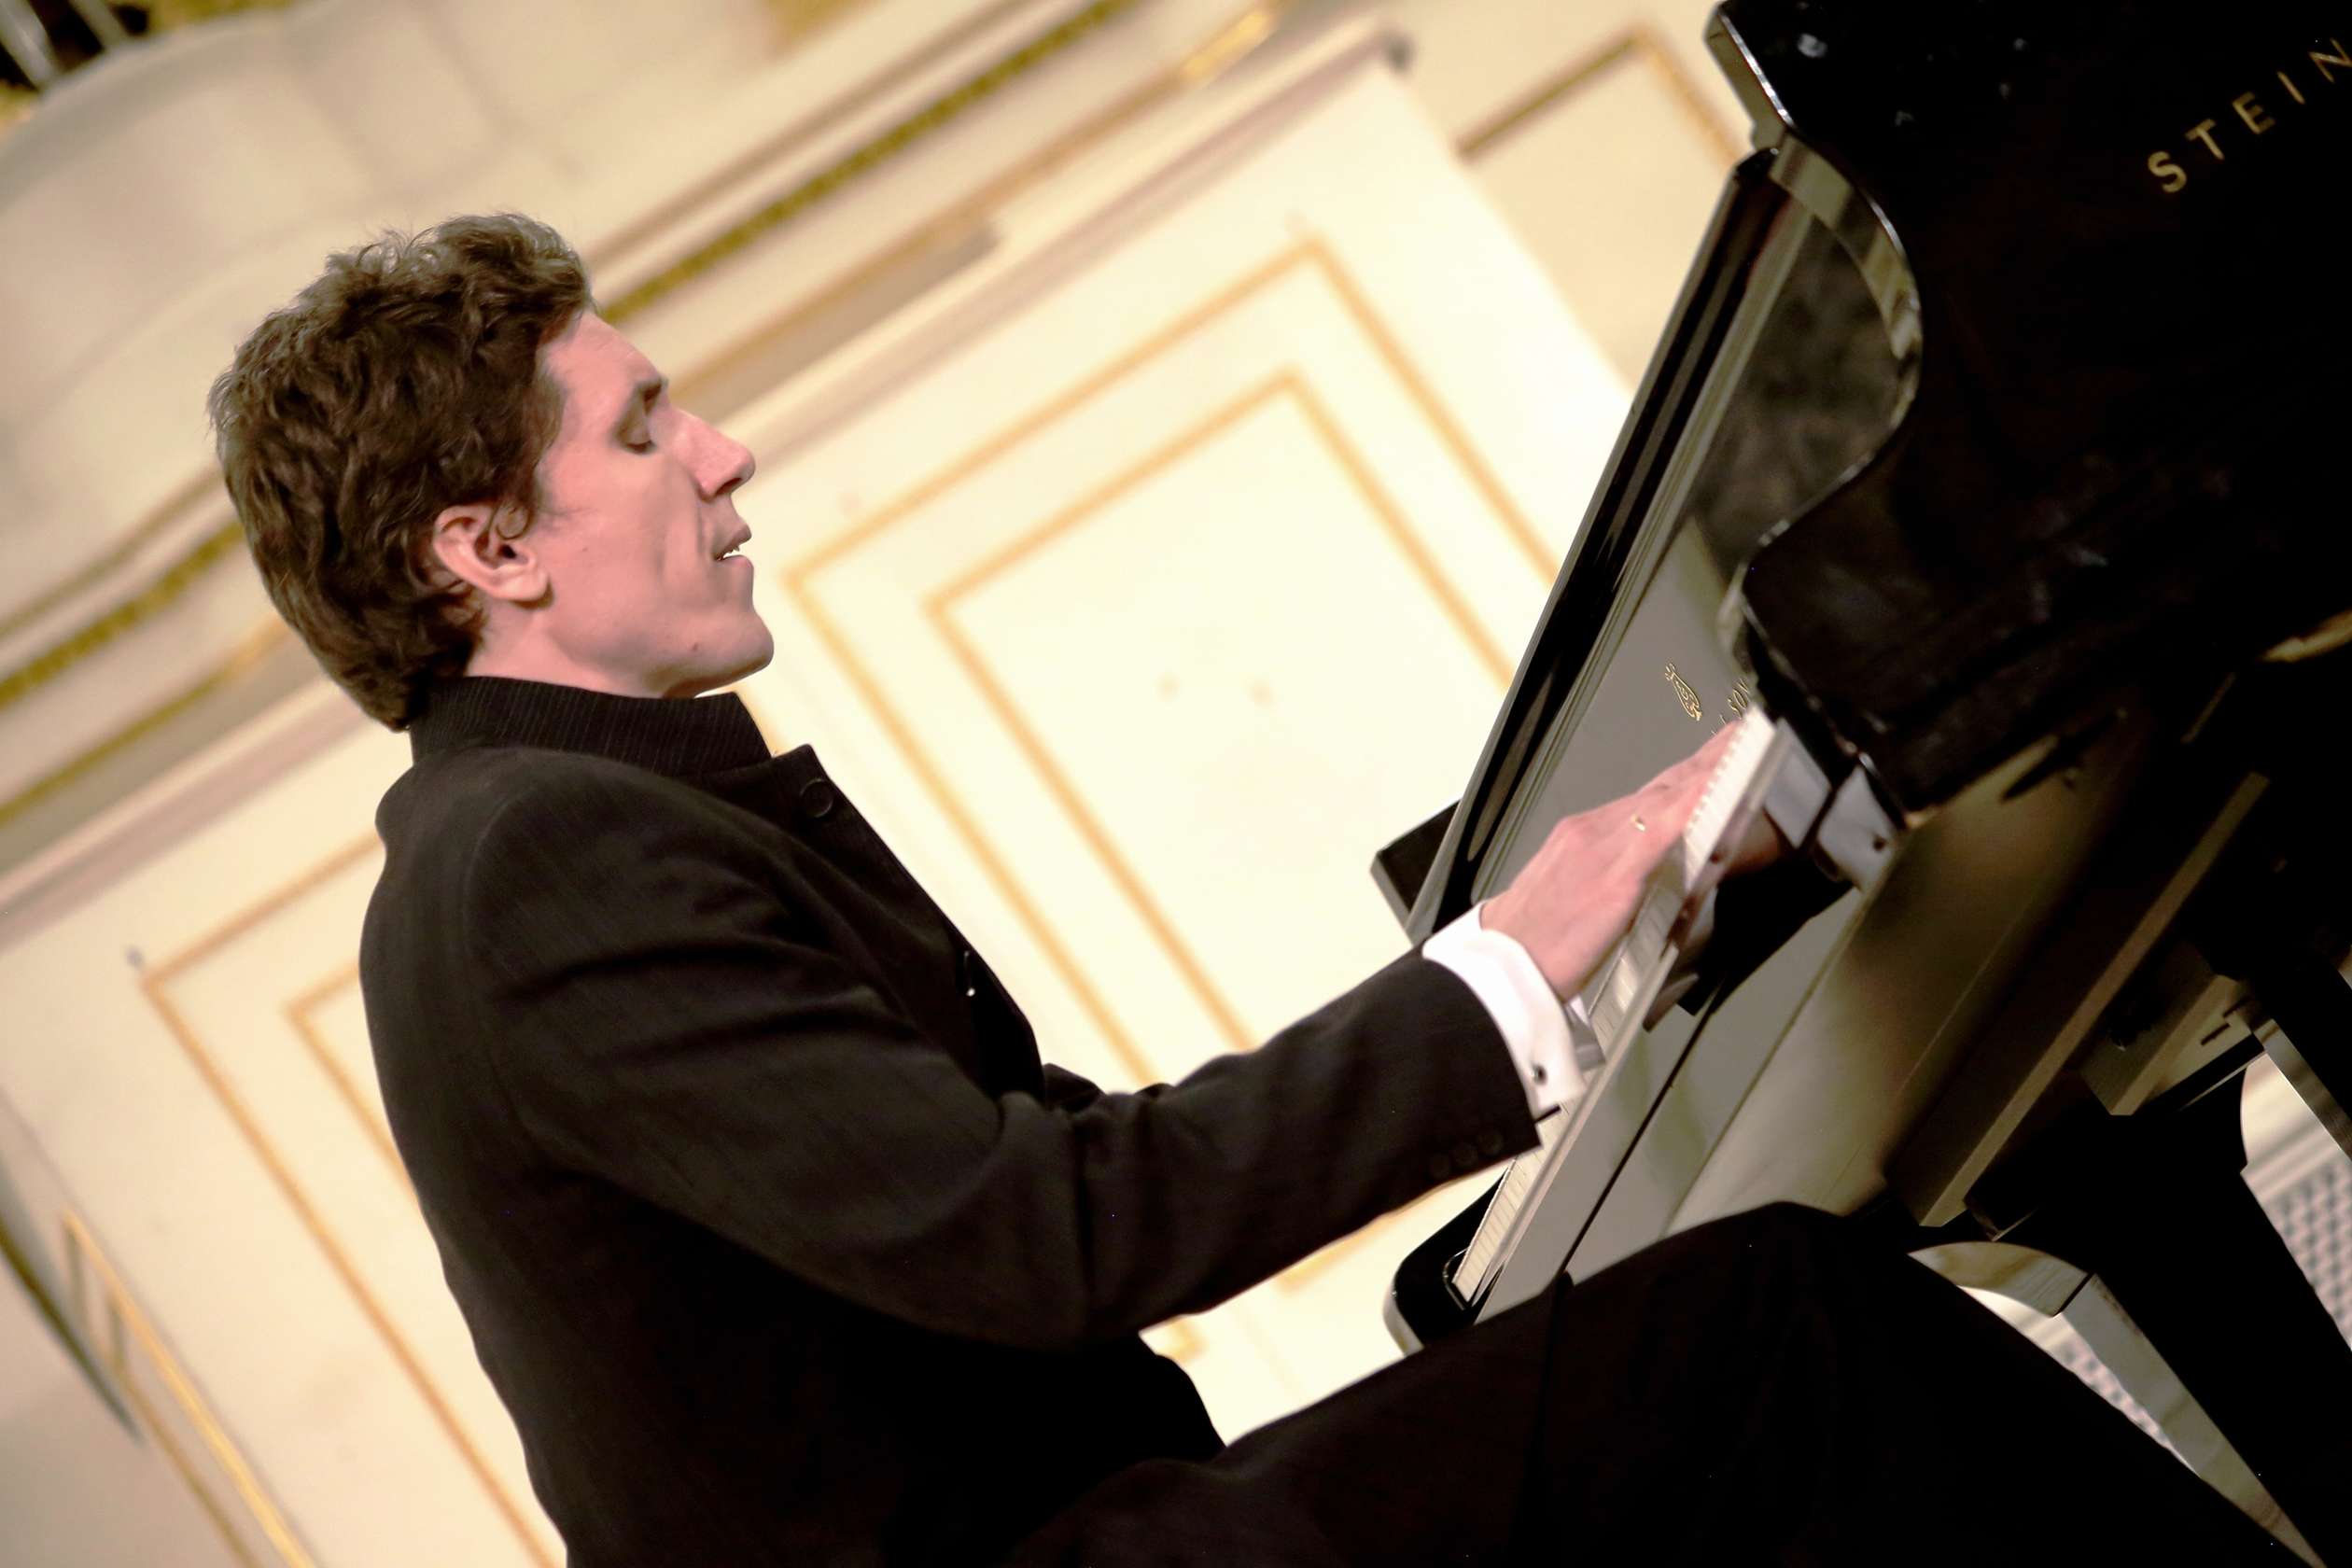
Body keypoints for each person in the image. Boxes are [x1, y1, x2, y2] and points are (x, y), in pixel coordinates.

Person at [207, 214, 2282, 1565]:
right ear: (490, 550)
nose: (725, 452)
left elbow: (1043, 1178)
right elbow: (1053, 1235)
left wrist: (1546, 966)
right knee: (1769, 1337)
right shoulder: (537, 865)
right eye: (644, 427)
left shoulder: (541, 840)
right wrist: (1515, 958)